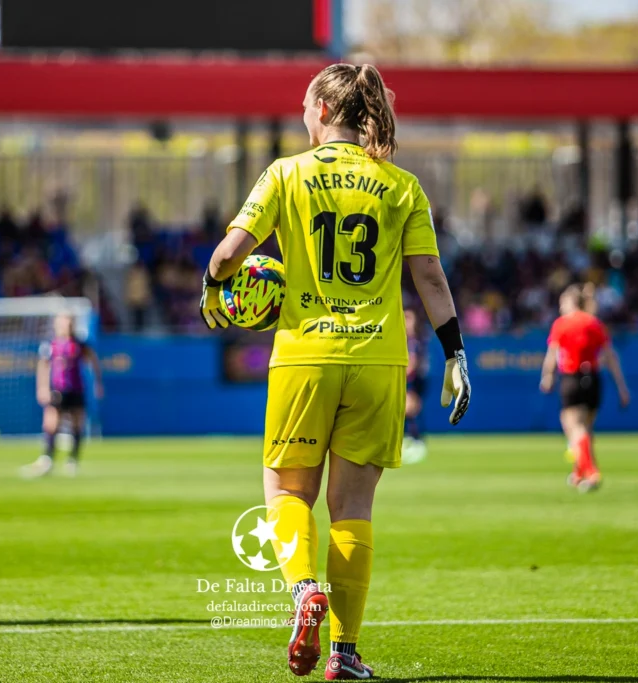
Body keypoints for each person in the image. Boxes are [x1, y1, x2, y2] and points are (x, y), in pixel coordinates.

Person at [199, 64, 471, 680]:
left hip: (304, 355)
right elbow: (429, 277)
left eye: (303, 104)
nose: (300, 113)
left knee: (289, 492)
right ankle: (345, 654)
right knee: (354, 509)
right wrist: (455, 352)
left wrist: (212, 289)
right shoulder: (402, 185)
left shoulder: (285, 173)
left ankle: (303, 592)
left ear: (323, 109)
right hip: (378, 359)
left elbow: (226, 255)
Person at [540, 283, 630, 492]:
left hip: (572, 377)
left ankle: (591, 472)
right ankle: (578, 473)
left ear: (571, 302)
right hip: (594, 379)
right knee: (586, 430)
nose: (561, 306)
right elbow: (610, 356)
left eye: (563, 302)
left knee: (573, 425)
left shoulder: (562, 324)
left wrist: (547, 377)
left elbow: (552, 354)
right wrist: (622, 387)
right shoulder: (594, 323)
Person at [21, 311, 104, 479]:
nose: (67, 325)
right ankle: (48, 459)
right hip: (57, 388)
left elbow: (93, 360)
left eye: (69, 322)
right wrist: (42, 388)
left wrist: (97, 382)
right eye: (64, 321)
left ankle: (72, 460)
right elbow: (43, 366)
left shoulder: (80, 343)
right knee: (51, 424)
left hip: (76, 389)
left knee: (77, 424)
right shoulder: (51, 344)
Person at [401, 309, 430, 465]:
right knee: (407, 411)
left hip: (414, 380)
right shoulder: (403, 338)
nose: (406, 321)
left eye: (408, 317)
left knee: (411, 409)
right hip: (408, 380)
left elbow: (413, 363)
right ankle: (413, 440)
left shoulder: (416, 340)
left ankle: (417, 442)